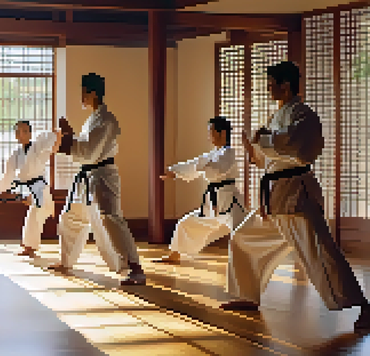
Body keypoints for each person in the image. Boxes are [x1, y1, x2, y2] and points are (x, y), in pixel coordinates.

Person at [222, 61, 370, 332]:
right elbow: (267, 156)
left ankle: (364, 306)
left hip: (295, 195)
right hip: (275, 196)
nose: (268, 89)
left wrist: (264, 140)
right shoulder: (277, 115)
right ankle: (248, 294)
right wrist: (252, 148)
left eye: (271, 84)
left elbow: (300, 148)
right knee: (243, 238)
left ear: (285, 84)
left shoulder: (303, 114)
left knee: (321, 253)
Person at [48, 73, 145, 286]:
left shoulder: (106, 119)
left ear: (92, 93)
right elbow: (85, 147)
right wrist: (69, 137)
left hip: (102, 175)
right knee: (71, 217)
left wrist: (66, 142)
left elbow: (90, 151)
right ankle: (66, 261)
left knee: (111, 219)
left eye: (83, 93)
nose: (81, 97)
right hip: (88, 175)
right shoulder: (93, 118)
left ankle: (134, 268)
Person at [155, 116, 246, 264]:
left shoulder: (229, 152)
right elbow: (195, 164)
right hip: (212, 203)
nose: (209, 136)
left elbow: (218, 169)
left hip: (229, 202)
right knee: (186, 223)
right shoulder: (214, 153)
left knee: (242, 232)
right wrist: (174, 172)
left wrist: (203, 164)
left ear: (222, 133)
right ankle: (175, 255)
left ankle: (244, 261)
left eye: (211, 132)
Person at [0, 120, 62, 257]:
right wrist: (2, 187)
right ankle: (29, 245)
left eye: (25, 131)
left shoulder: (37, 147)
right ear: (15, 135)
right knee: (34, 216)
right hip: (27, 188)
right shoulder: (16, 154)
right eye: (19, 132)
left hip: (39, 187)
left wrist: (58, 136)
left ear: (30, 133)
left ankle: (30, 245)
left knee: (35, 215)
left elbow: (53, 148)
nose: (22, 134)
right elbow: (9, 173)